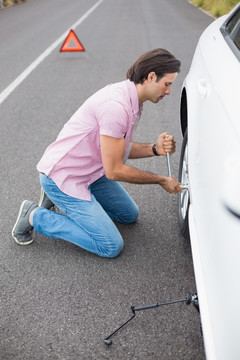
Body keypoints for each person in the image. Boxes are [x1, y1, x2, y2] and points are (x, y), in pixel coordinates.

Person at [12, 48, 182, 258]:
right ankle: (34, 216)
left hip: (92, 173)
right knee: (110, 245)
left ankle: (68, 204)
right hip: (64, 176)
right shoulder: (116, 107)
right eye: (167, 84)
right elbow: (114, 170)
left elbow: (119, 149)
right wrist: (160, 180)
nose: (168, 92)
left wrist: (155, 149)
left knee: (129, 215)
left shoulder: (133, 101)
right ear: (151, 77)